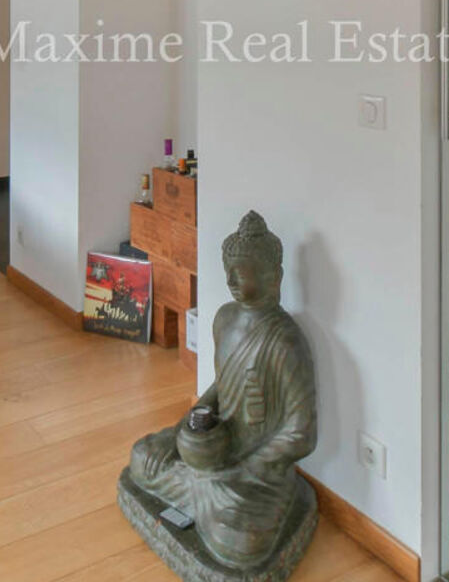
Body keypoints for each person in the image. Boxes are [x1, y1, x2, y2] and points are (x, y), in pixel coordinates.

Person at [124, 211, 318, 572]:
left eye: (240, 272)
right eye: (227, 270)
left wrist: (246, 467)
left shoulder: (286, 342)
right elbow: (220, 386)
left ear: (273, 276)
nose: (229, 280)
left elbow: (302, 433)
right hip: (216, 448)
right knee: (143, 456)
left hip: (257, 473)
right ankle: (201, 482)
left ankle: (210, 492)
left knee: (242, 541)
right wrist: (181, 432)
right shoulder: (225, 319)